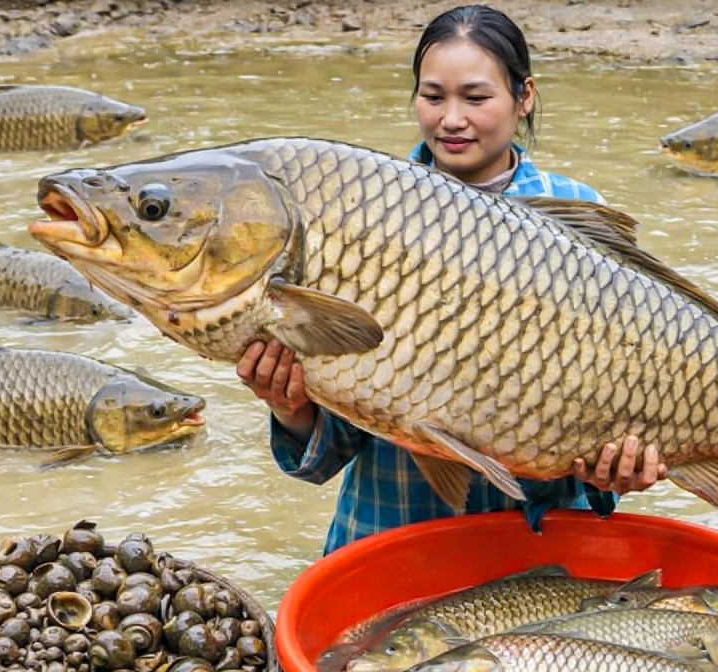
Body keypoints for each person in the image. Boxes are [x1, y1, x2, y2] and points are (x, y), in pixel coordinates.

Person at [237, 4, 666, 554]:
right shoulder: (355, 213)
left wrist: (616, 474)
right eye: (433, 96)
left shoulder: (580, 211)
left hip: (547, 554)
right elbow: (329, 448)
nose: (451, 119)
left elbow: (621, 417)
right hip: (392, 536)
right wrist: (290, 407)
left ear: (524, 97)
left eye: (476, 97)